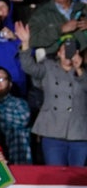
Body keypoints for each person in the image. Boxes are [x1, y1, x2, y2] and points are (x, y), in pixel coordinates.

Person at [16, 24, 87, 166]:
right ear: (59, 53)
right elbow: (29, 67)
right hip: (52, 131)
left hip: (79, 132)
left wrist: (79, 69)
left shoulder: (83, 72)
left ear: (77, 53)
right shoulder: (48, 68)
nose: (68, 53)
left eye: (71, 50)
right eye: (64, 50)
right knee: (55, 175)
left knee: (78, 176)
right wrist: (25, 44)